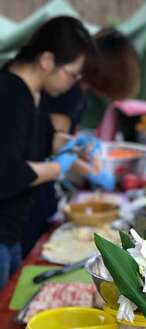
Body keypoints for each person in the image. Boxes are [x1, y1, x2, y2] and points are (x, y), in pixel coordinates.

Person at [21, 28, 140, 256]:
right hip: (28, 197)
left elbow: (68, 140)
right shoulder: (67, 91)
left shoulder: (78, 91)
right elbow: (56, 148)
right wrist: (90, 170)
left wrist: (84, 152)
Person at [0, 16, 94, 289]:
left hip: (12, 232)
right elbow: (7, 173)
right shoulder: (10, 94)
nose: (73, 83)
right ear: (46, 60)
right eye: (72, 73)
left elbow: (41, 140)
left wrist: (72, 146)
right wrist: (58, 168)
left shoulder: (34, 93)